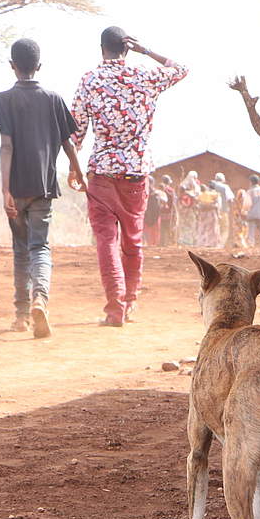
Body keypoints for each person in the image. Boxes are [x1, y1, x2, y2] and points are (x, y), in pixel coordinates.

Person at [70, 26, 187, 326]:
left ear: (101, 49)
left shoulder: (90, 80)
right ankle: (130, 302)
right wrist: (146, 51)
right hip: (136, 174)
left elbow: (76, 132)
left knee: (106, 242)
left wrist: (73, 166)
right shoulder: (145, 76)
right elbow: (181, 68)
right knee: (133, 242)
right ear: (126, 48)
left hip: (102, 174)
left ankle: (114, 308)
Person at [0, 37, 86, 339]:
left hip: (16, 188)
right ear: (39, 66)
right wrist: (77, 171)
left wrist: (5, 189)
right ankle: (40, 299)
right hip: (43, 187)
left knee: (20, 250)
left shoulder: (2, 99)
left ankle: (21, 316)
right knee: (40, 247)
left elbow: (6, 145)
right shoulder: (53, 98)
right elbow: (67, 141)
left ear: (12, 66)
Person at [208, 171, 233, 245]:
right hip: (223, 210)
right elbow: (230, 199)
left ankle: (212, 242)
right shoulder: (225, 187)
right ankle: (221, 244)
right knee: (224, 228)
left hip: (211, 211)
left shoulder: (210, 187)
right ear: (223, 179)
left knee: (213, 226)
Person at [177, 168, 199, 246]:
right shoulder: (188, 187)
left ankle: (187, 240)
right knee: (188, 224)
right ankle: (186, 240)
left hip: (186, 209)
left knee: (187, 224)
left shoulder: (183, 185)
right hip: (188, 209)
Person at [195, 182, 222, 246]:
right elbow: (218, 205)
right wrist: (218, 214)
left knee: (202, 228)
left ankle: (201, 243)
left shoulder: (200, 195)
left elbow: (197, 204)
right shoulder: (215, 194)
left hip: (202, 213)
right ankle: (211, 243)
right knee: (212, 228)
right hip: (211, 213)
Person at [158, 174, 178, 245]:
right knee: (169, 226)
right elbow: (174, 201)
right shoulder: (171, 190)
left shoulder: (160, 189)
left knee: (162, 226)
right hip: (170, 211)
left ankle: (162, 242)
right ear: (169, 182)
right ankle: (169, 242)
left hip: (162, 211)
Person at [143, 175, 162, 246]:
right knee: (154, 231)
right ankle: (152, 244)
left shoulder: (145, 192)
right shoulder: (155, 193)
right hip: (152, 214)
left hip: (148, 214)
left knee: (149, 230)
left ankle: (150, 244)